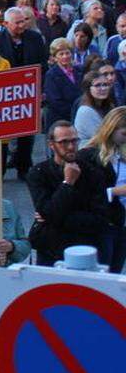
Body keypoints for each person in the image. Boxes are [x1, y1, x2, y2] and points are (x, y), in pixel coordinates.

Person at [27, 121, 111, 266]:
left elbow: (100, 219)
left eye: (74, 141)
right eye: (64, 142)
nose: (71, 147)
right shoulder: (39, 173)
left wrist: (56, 218)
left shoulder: (93, 172)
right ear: (51, 144)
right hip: (50, 250)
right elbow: (48, 212)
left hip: (85, 249)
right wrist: (67, 183)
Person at [0, 7, 49, 178]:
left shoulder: (34, 38)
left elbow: (43, 64)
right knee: (3, 132)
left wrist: (40, 89)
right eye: (17, 22)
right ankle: (1, 168)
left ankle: (24, 167)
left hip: (28, 90)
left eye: (24, 21)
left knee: (27, 132)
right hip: (5, 92)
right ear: (5, 24)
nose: (22, 25)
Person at [78, 107, 126, 273]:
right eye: (124, 134)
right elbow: (83, 196)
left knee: (116, 273)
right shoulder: (88, 156)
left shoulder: (122, 153)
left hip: (120, 223)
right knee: (103, 275)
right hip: (102, 225)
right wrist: (115, 192)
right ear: (110, 130)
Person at [74, 71, 116, 146]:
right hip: (90, 153)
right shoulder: (85, 111)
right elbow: (104, 137)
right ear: (88, 89)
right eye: (97, 85)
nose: (103, 88)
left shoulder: (109, 106)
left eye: (105, 85)